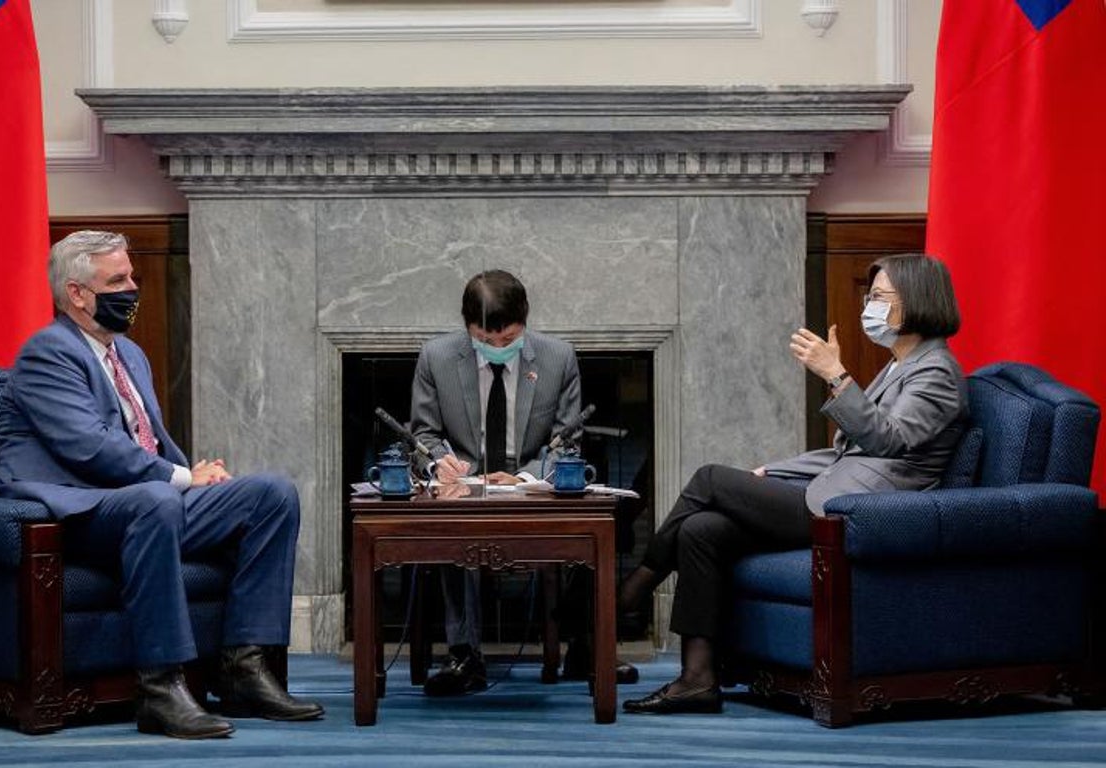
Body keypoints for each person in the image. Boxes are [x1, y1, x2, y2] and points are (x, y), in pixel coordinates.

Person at [0, 231, 323, 738]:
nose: (132, 289)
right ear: (77, 293)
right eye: (117, 280)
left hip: (144, 503)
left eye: (132, 277)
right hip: (73, 510)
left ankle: (244, 671)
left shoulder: (129, 354)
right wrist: (183, 478)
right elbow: (90, 447)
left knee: (270, 494)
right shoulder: (48, 353)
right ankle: (161, 688)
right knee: (156, 500)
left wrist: (192, 478)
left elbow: (148, 444)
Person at [619, 253, 967, 715]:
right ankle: (697, 680)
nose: (871, 307)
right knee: (702, 530)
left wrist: (836, 375)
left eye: (882, 298)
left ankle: (630, 593)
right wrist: (776, 471)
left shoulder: (937, 371)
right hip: (833, 494)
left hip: (860, 515)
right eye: (870, 296)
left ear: (919, 301)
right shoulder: (901, 365)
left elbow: (889, 440)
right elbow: (847, 454)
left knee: (708, 478)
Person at [408, 269, 636, 694]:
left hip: (531, 480)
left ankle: (584, 645)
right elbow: (424, 434)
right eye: (485, 340)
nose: (497, 348)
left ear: (525, 322)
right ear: (467, 328)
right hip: (465, 483)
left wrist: (526, 477)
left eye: (508, 340)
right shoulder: (436, 357)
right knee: (452, 523)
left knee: (593, 519)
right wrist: (442, 463)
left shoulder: (557, 358)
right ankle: (463, 656)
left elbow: (567, 442)